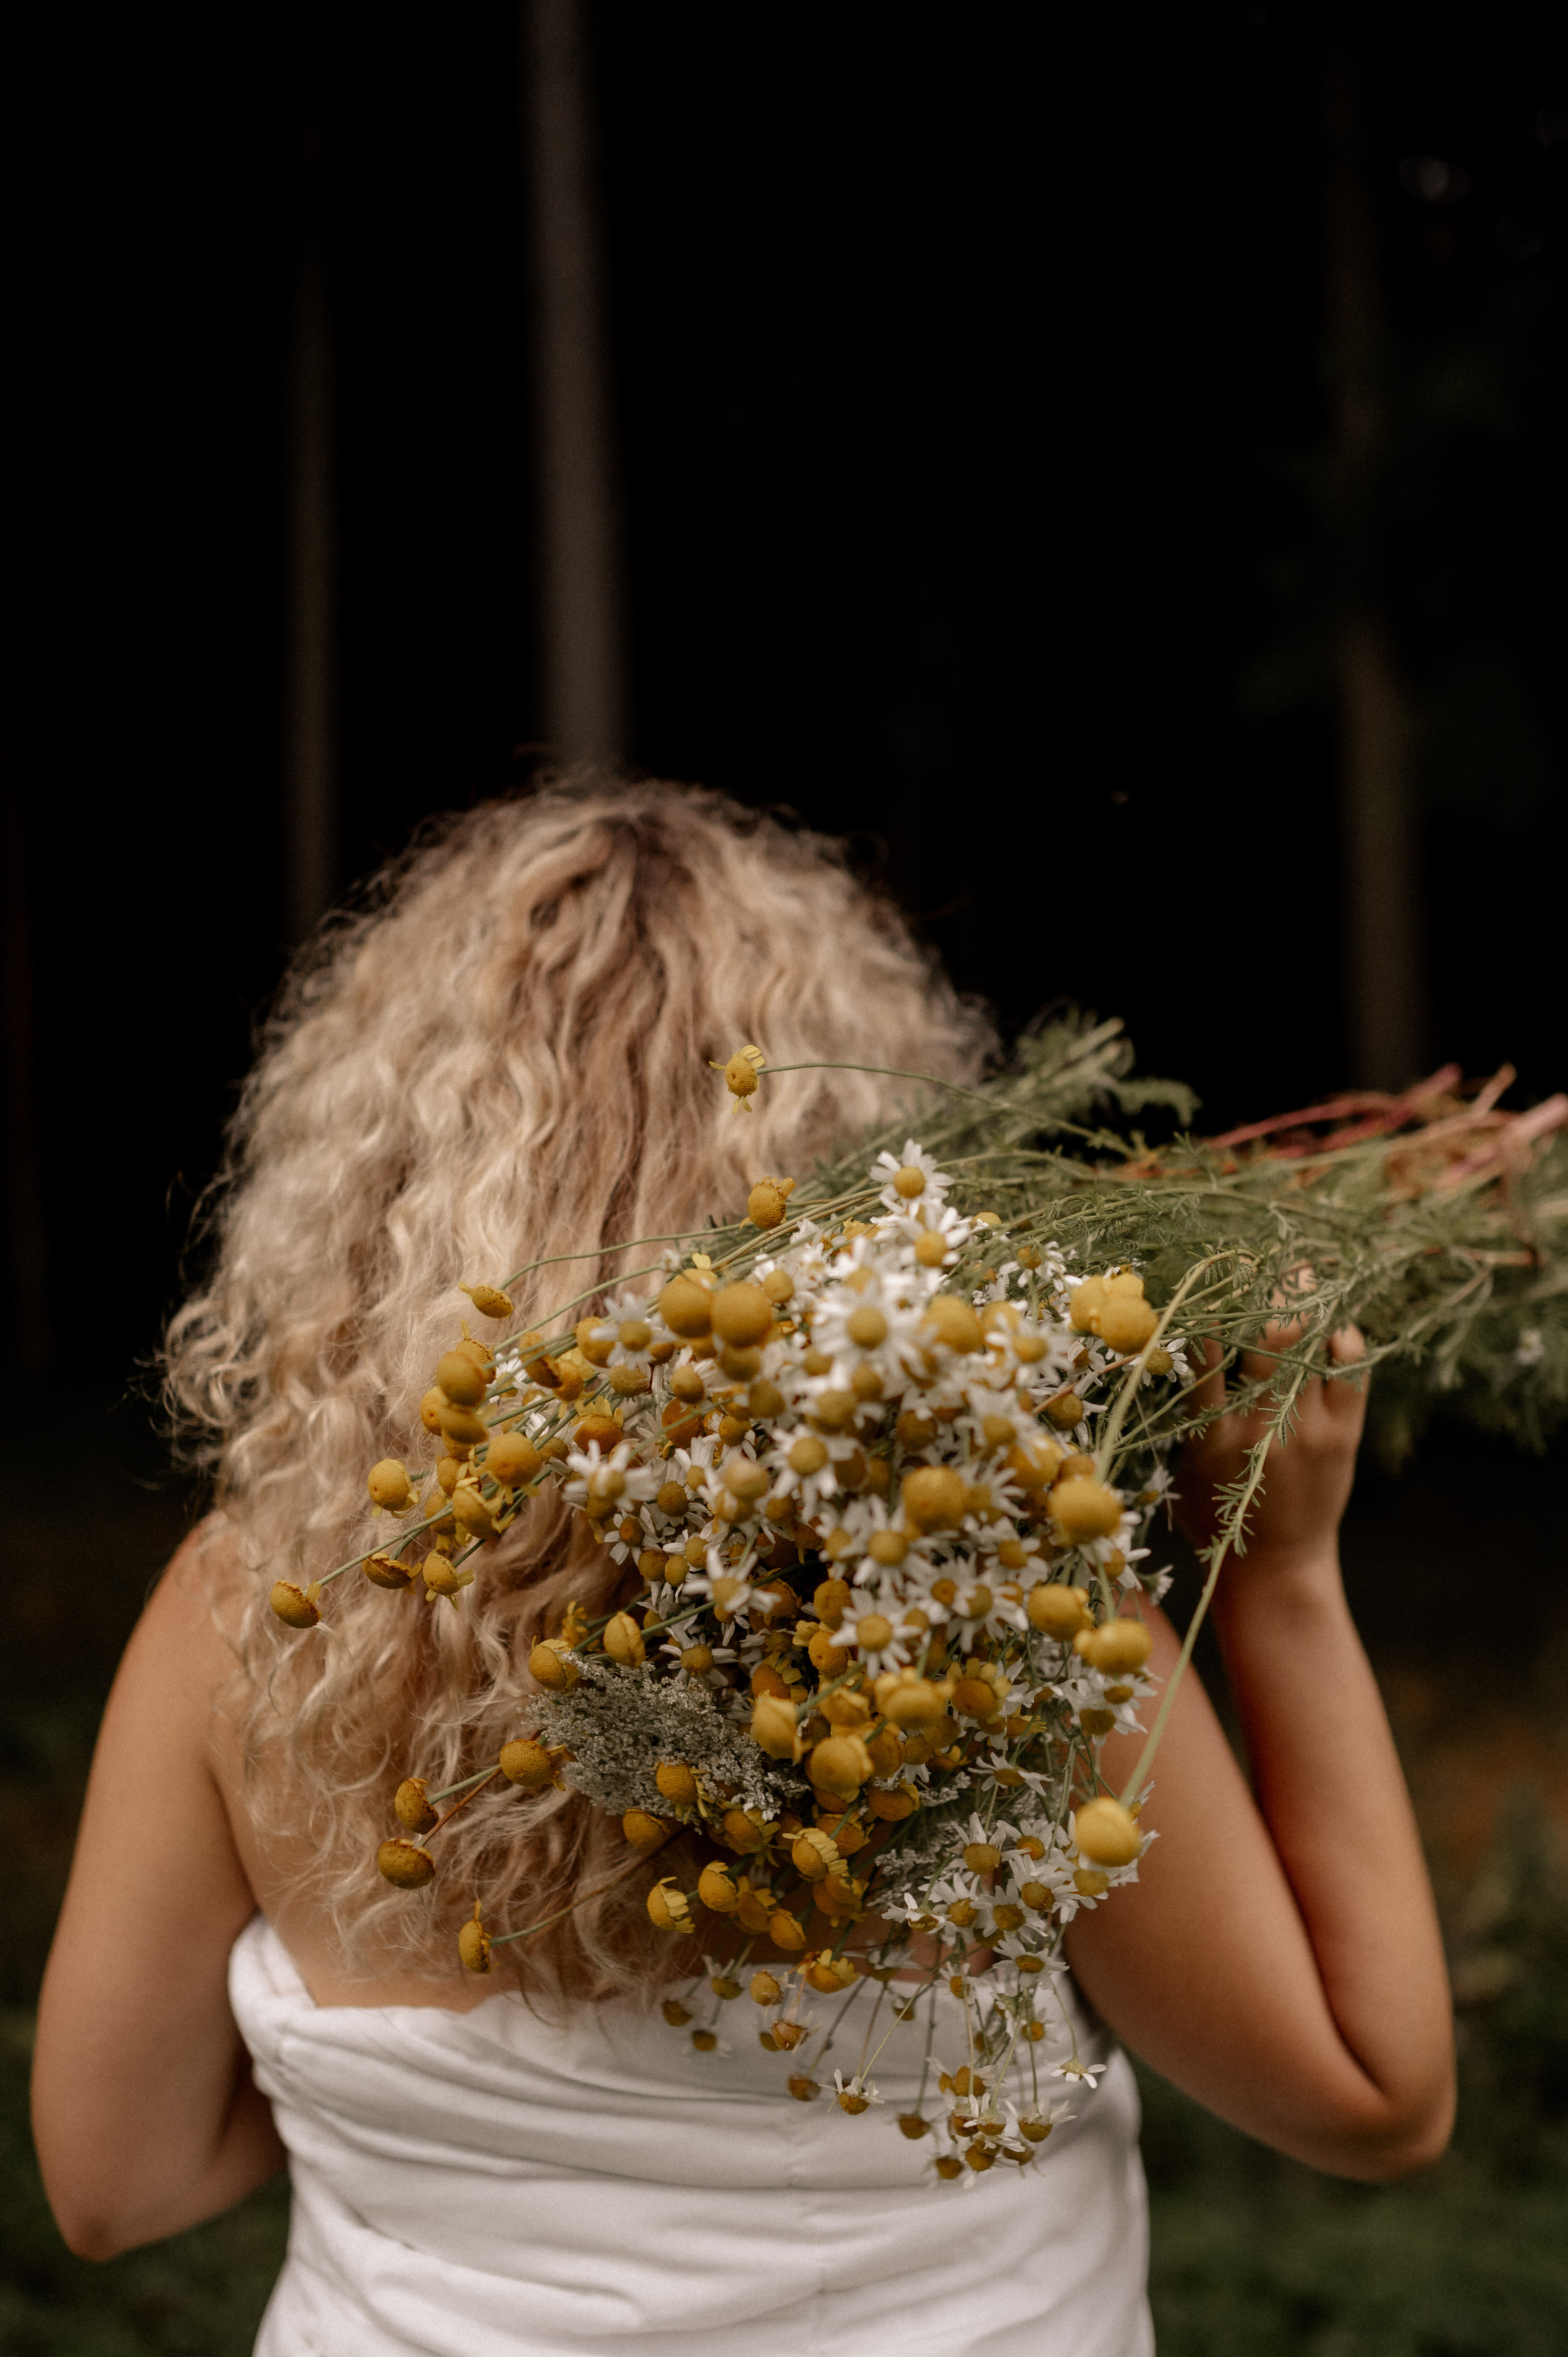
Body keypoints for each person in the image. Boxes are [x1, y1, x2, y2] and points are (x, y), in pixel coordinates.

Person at [32, 780, 1455, 2356]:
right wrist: (1282, 1571)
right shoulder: (975, 1603)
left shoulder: (248, 1616)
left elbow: (117, 2185)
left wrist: (410, 2137)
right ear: (871, 1167)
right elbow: (1372, 2100)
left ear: (367, 1189)